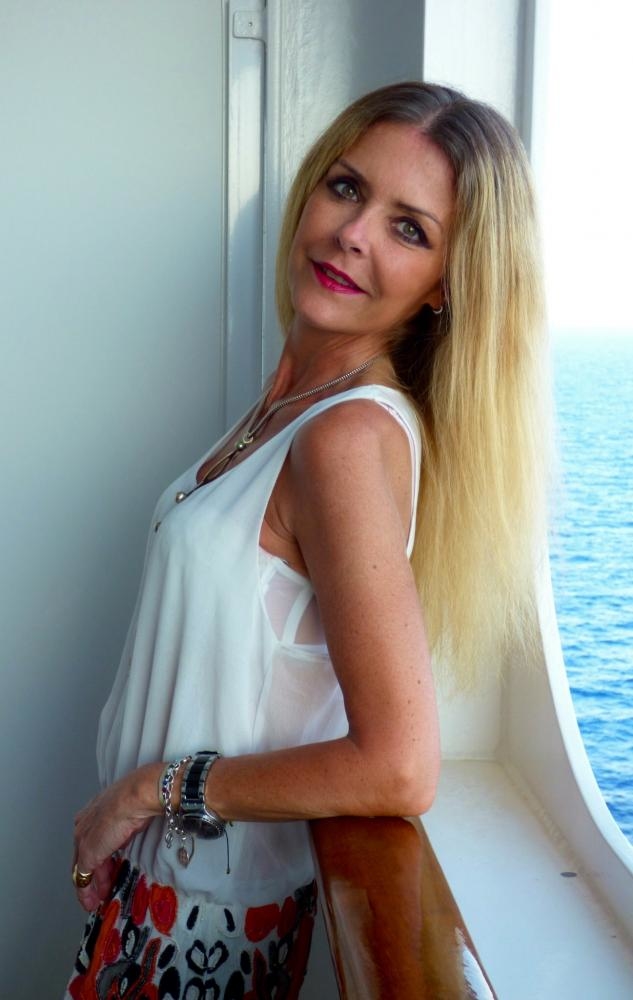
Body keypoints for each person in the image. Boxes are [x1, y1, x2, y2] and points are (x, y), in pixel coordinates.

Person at [65, 81, 549, 998]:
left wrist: (144, 791)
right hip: (151, 890)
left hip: (203, 925)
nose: (353, 233)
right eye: (346, 187)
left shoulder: (346, 440)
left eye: (409, 229)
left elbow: (398, 767)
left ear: (446, 285)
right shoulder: (292, 406)